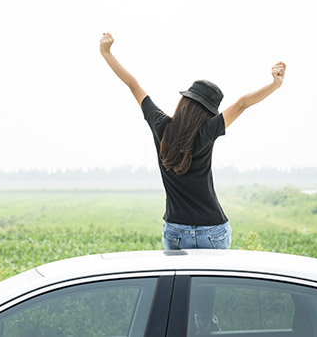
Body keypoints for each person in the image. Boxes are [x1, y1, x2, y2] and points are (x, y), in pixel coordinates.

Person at [100, 32, 286, 250]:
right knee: (211, 285)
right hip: (213, 229)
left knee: (178, 284)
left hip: (176, 230)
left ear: (184, 101)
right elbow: (241, 104)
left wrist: (106, 52)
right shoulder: (207, 131)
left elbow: (133, 85)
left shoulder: (161, 125)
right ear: (208, 113)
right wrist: (275, 84)